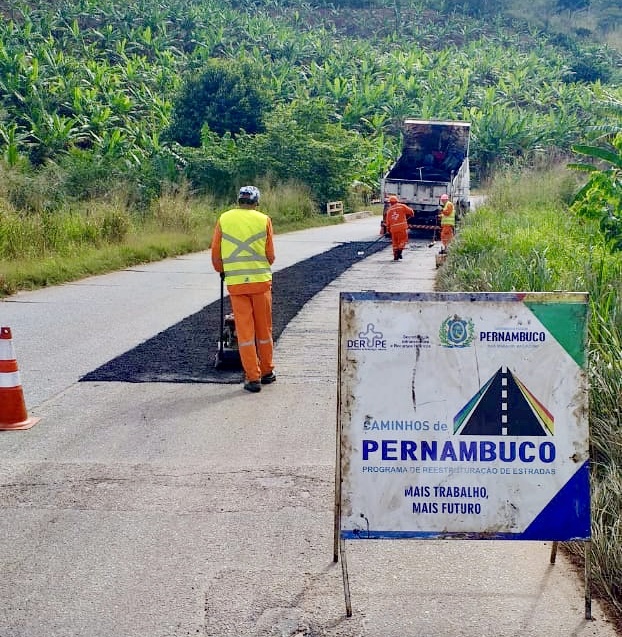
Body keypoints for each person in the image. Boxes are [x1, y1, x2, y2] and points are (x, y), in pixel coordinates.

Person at [211, 186, 276, 393]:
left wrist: (222, 270)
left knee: (245, 331)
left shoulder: (224, 219)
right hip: (261, 283)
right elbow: (270, 256)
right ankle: (267, 371)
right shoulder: (264, 220)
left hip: (237, 284)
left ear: (239, 201)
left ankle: (253, 377)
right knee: (264, 330)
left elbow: (216, 254)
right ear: (256, 202)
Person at [384, 195, 413, 261]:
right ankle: (399, 251)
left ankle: (395, 256)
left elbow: (388, 222)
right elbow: (411, 211)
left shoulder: (389, 210)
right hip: (402, 228)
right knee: (403, 240)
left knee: (395, 243)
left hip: (393, 229)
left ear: (390, 202)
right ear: (397, 201)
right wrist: (412, 214)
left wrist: (388, 230)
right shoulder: (402, 206)